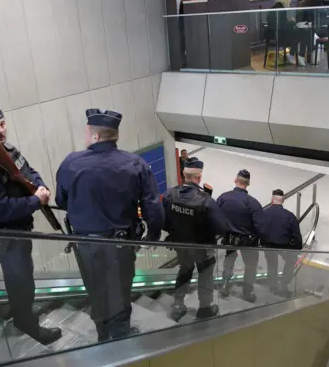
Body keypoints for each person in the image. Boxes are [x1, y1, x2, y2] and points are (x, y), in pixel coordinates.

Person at [55, 109, 164, 342]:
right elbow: (153, 208)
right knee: (120, 292)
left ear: (94, 136)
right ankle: (121, 336)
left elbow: (61, 201)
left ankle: (103, 335)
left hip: (85, 244)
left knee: (95, 291)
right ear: (114, 135)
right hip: (120, 244)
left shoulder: (71, 163)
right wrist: (152, 236)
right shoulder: (136, 164)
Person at [0, 103, 62, 345]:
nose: (0, 130)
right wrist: (35, 201)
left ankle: (22, 316)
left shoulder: (4, 150)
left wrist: (40, 186)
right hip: (7, 232)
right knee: (21, 281)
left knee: (21, 277)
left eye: (2, 124)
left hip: (18, 229)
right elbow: (0, 209)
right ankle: (27, 324)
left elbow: (27, 170)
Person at [163, 157, 228, 321]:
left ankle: (178, 304)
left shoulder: (170, 194)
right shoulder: (206, 200)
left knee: (184, 270)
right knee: (205, 274)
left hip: (181, 245)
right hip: (202, 247)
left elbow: (164, 221)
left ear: (184, 174)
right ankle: (205, 307)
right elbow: (221, 227)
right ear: (199, 177)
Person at [217, 170, 264, 302]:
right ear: (248, 183)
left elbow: (216, 215)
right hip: (247, 240)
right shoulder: (253, 203)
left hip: (229, 237)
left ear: (235, 180)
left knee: (229, 260)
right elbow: (260, 225)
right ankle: (247, 292)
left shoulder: (223, 197)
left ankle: (225, 285)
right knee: (250, 265)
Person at [261, 189, 302, 298]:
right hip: (285, 246)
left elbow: (259, 230)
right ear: (283, 200)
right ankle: (283, 286)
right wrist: (298, 248)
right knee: (291, 260)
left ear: (272, 200)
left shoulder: (263, 213)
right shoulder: (290, 216)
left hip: (268, 245)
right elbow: (297, 236)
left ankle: (273, 286)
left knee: (272, 264)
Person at [266, 0, 304, 66]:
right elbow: (283, 24)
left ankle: (292, 55)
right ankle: (293, 54)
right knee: (298, 36)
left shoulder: (271, 10)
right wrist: (292, 22)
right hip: (280, 36)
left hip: (272, 35)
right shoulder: (281, 10)